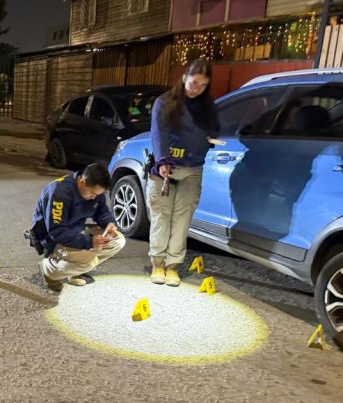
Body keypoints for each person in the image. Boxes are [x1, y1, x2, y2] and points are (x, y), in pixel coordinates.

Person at [147, 59, 218, 287]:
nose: (196, 88)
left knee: (182, 219)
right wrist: (163, 159)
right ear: (185, 77)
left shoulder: (207, 106)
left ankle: (173, 265)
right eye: (194, 82)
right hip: (164, 171)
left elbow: (211, 129)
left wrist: (210, 139)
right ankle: (158, 263)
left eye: (203, 85)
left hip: (193, 169)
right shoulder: (165, 102)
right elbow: (159, 134)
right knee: (161, 216)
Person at [30, 163, 126, 291]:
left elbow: (101, 211)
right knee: (89, 261)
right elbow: (57, 232)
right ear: (82, 181)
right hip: (54, 239)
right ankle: (48, 268)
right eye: (92, 193)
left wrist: (109, 224)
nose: (94, 197)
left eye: (98, 194)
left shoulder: (94, 188)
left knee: (118, 241)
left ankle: (73, 268)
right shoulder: (59, 192)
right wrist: (89, 242)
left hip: (76, 232)